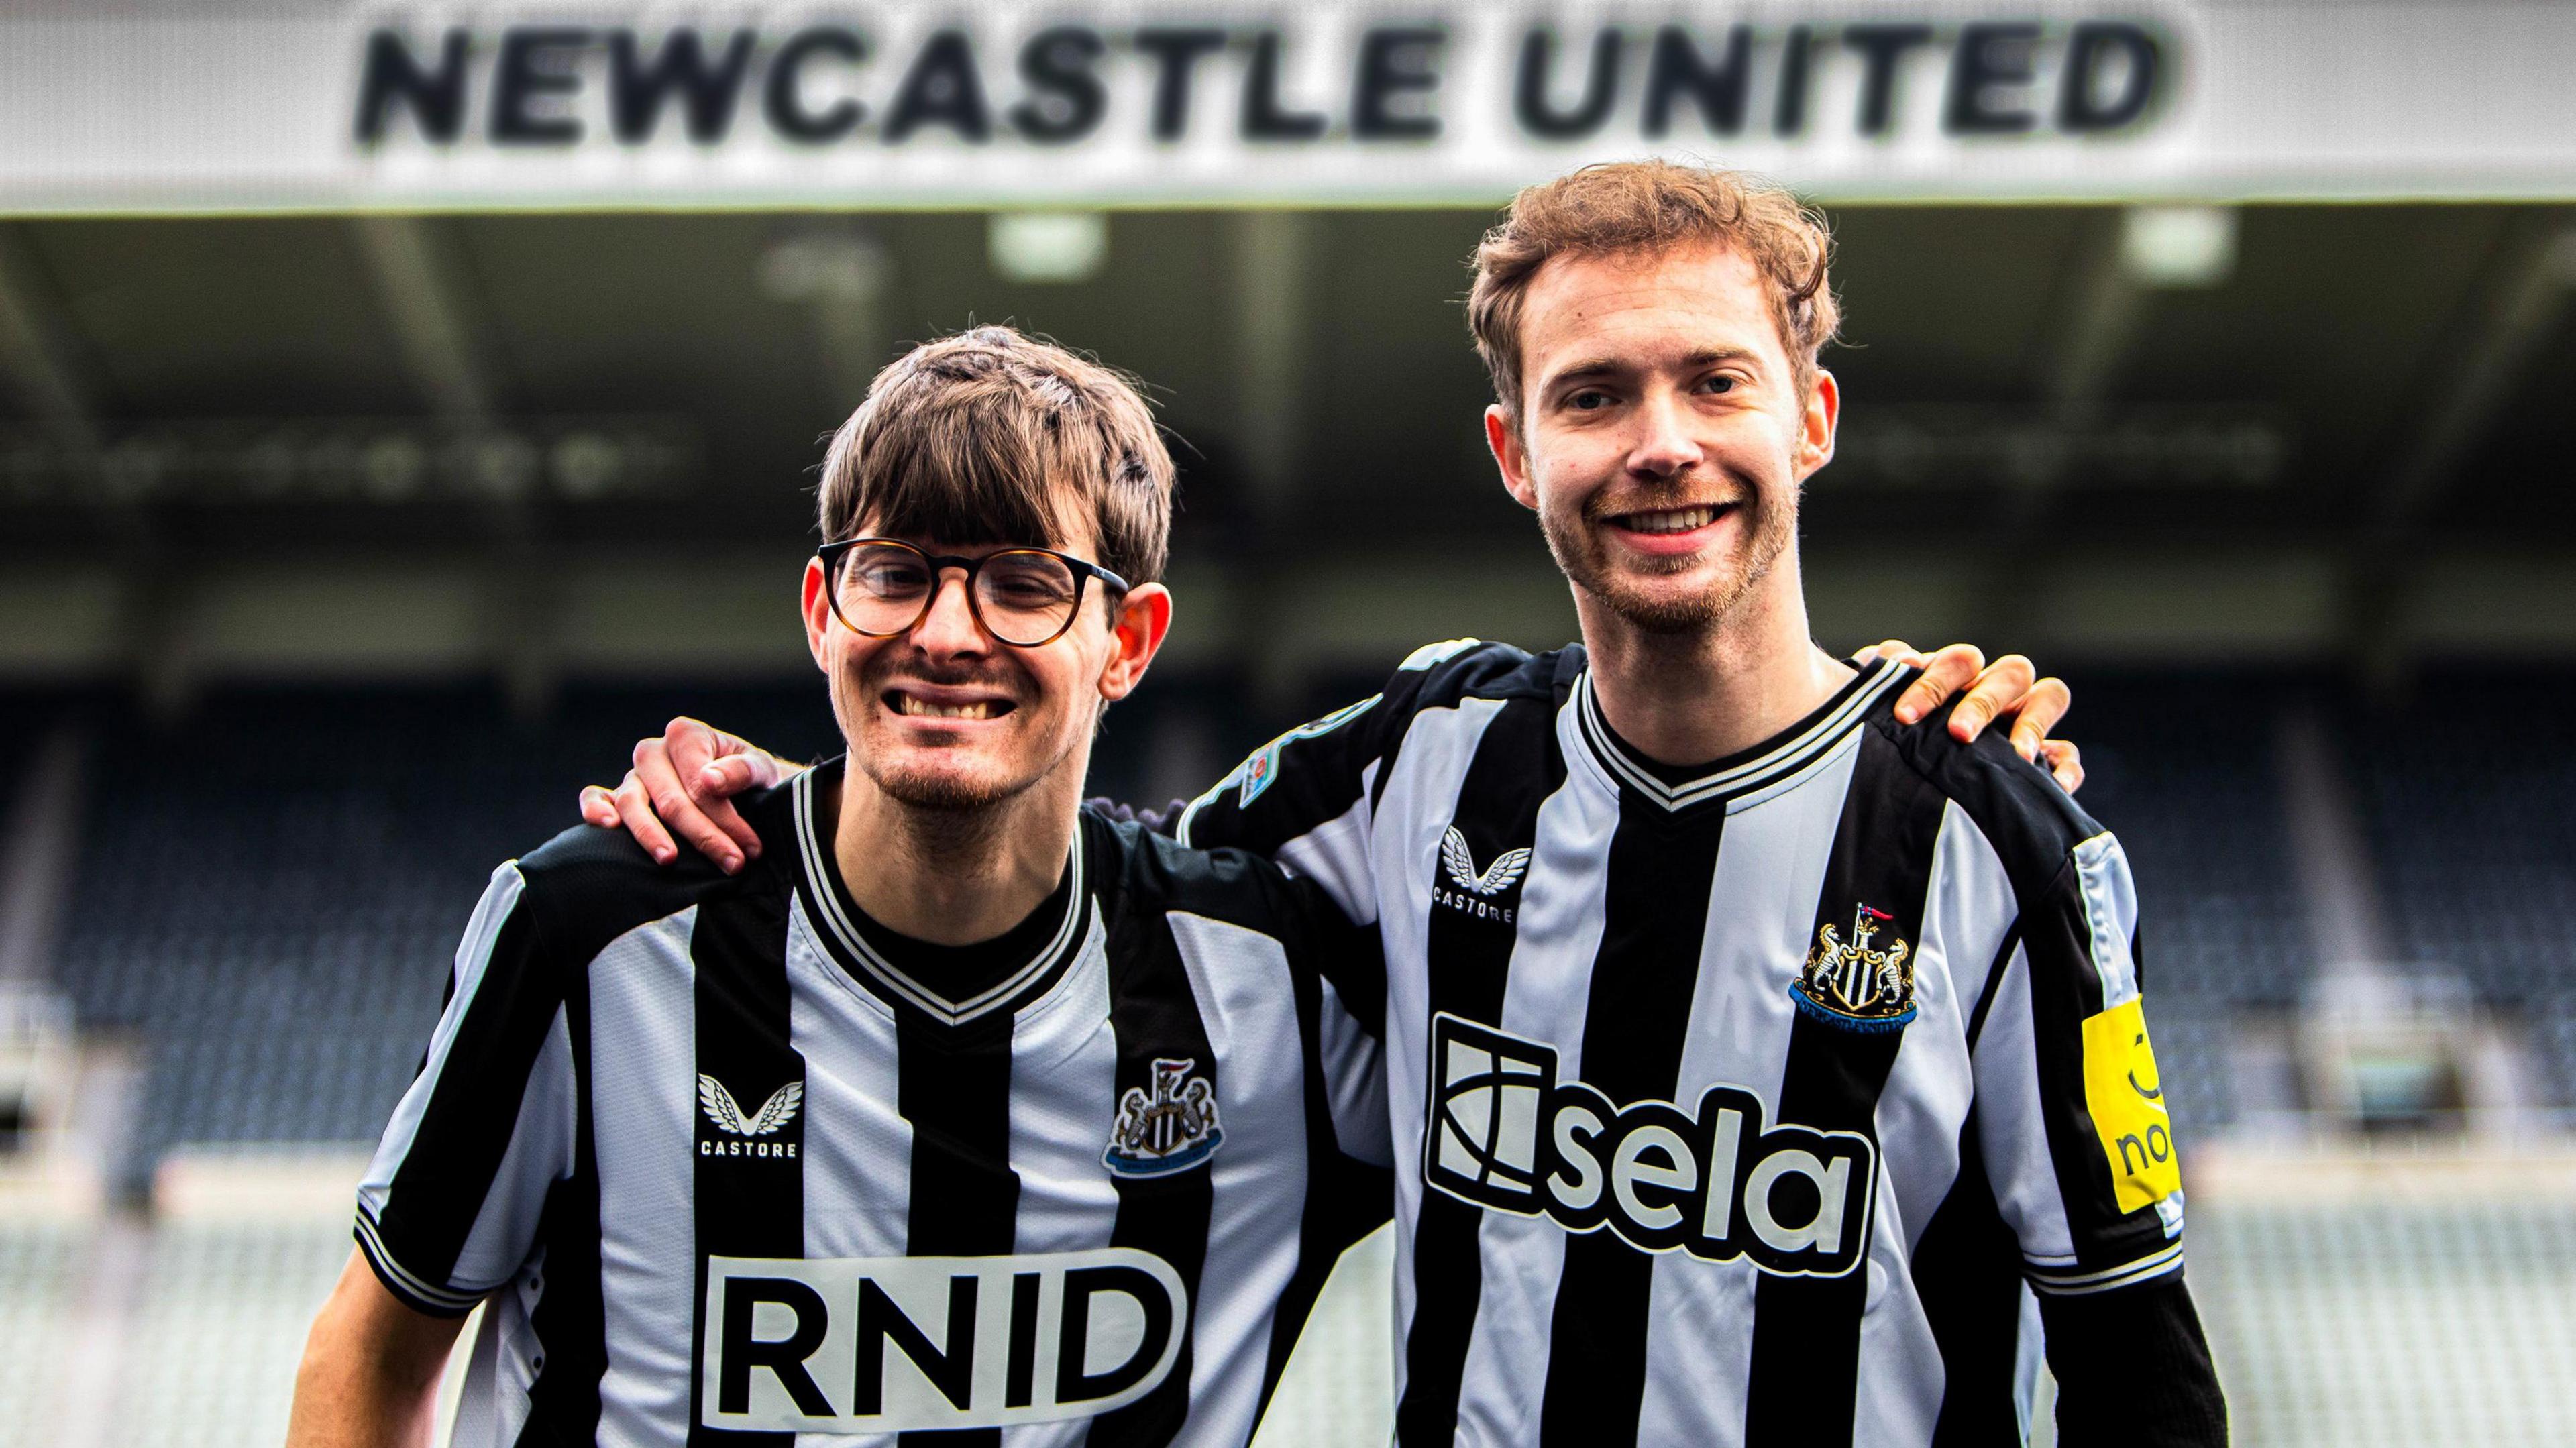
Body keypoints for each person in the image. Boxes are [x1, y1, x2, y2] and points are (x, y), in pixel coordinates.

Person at [586, 162, 2221, 1447]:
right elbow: (1067, 876)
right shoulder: (1418, 762)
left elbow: (2142, 1381)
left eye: (1714, 382)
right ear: (1517, 452)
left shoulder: (2002, 840)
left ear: (1810, 418)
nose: (1659, 445)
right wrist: (818, 797)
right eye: (1592, 396)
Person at [288, 329, 1398, 1447]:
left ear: (1129, 641)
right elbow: (374, 1355)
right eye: (897, 574)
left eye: (1024, 584)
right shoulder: (596, 933)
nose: (948, 635)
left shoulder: (1264, 994)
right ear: (824, 612)